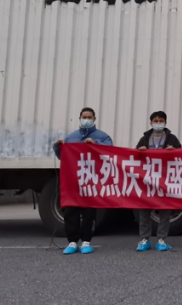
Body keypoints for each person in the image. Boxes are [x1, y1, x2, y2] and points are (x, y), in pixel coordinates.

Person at [54, 107, 113, 255]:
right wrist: (58, 147)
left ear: (94, 119)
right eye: (84, 117)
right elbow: (63, 157)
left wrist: (95, 144)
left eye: (89, 117)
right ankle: (72, 242)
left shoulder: (102, 136)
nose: (86, 120)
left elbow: (110, 153)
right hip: (73, 180)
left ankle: (86, 241)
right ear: (80, 118)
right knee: (70, 211)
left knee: (88, 212)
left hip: (91, 180)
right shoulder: (71, 137)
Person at [135, 111, 182, 252]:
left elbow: (181, 155)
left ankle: (162, 239)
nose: (158, 123)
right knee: (144, 210)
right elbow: (134, 156)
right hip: (147, 179)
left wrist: (174, 151)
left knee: (165, 210)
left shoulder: (172, 138)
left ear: (165, 122)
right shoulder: (145, 138)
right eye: (155, 121)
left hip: (164, 179)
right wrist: (140, 151)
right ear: (151, 123)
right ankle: (145, 239)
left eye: (161, 120)